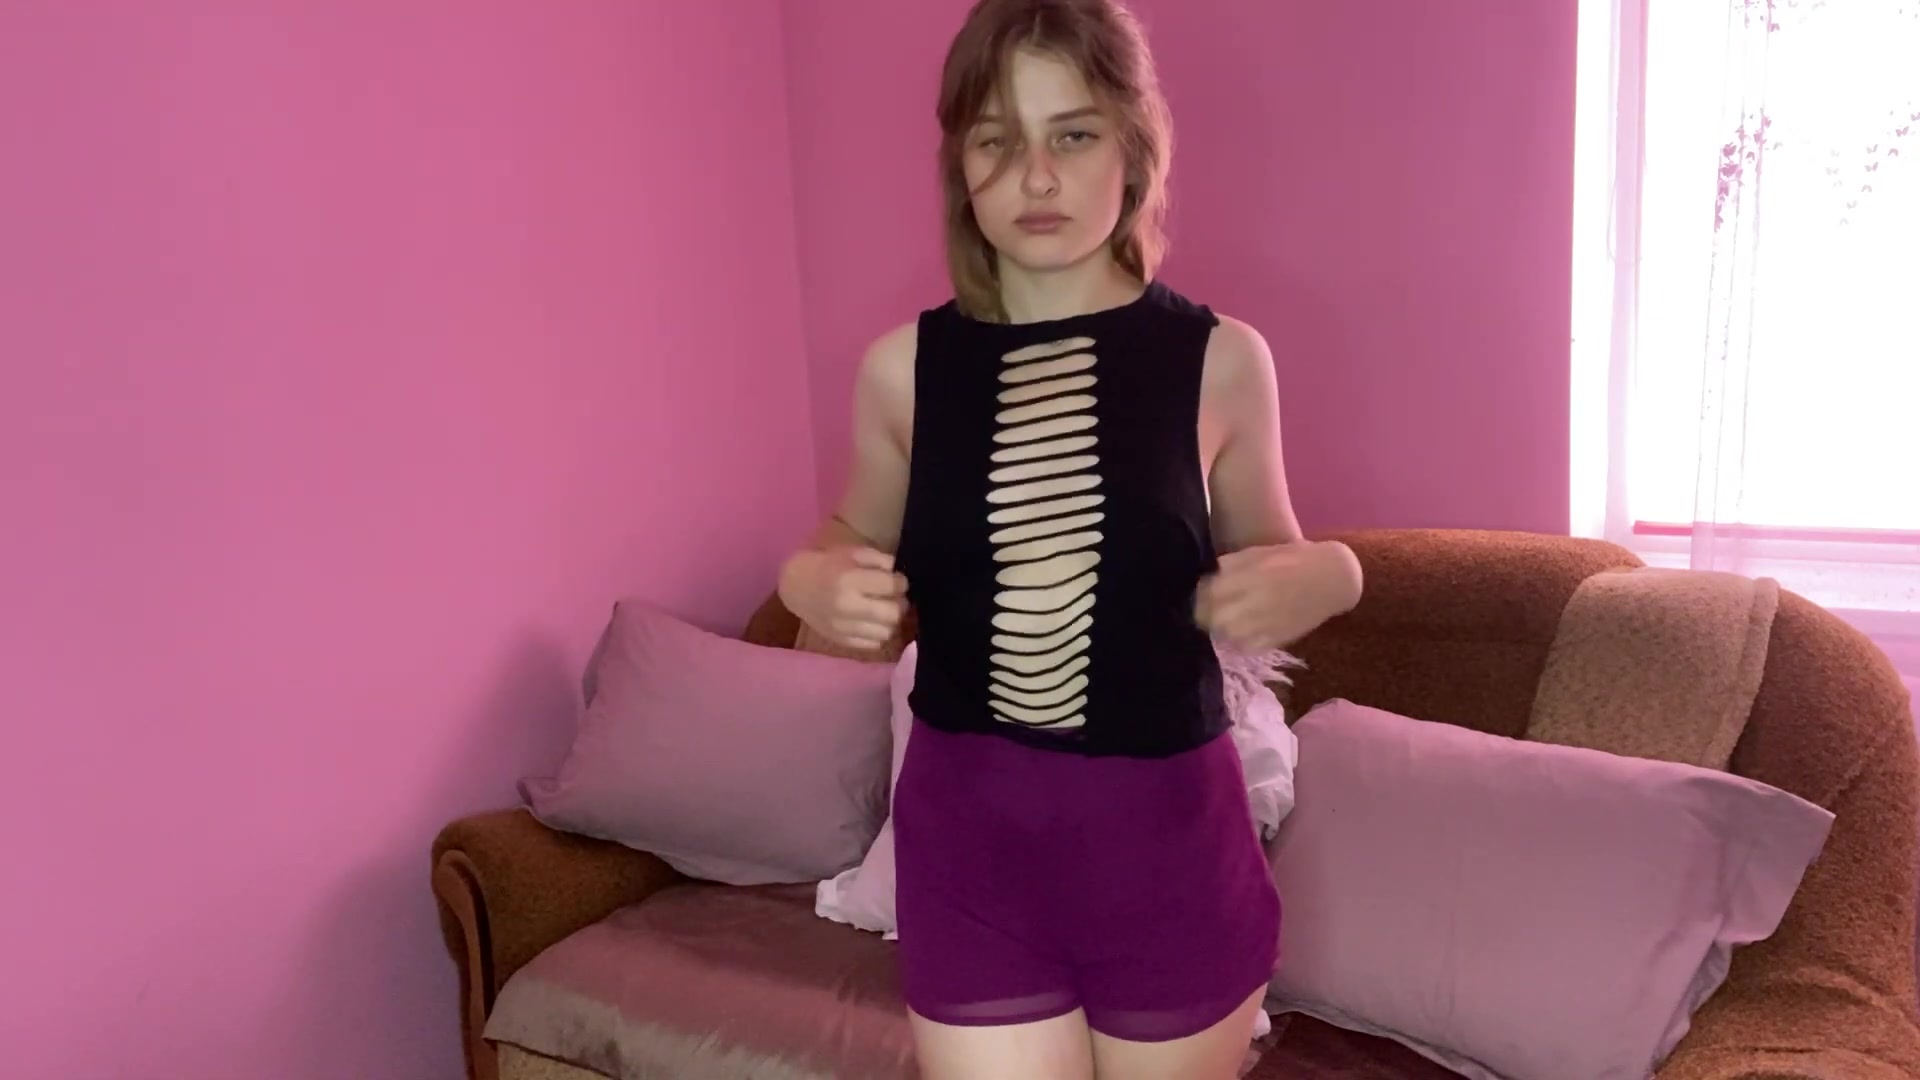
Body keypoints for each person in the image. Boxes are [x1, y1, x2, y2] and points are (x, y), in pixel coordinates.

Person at [776, 1, 1364, 1076]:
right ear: (961, 166)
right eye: (998, 141)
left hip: (1170, 852)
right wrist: (807, 576)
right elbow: (848, 530)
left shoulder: (1223, 360)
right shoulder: (901, 371)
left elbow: (1277, 555)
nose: (1037, 177)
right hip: (969, 851)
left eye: (1074, 134)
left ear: (1135, 148)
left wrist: (1334, 574)